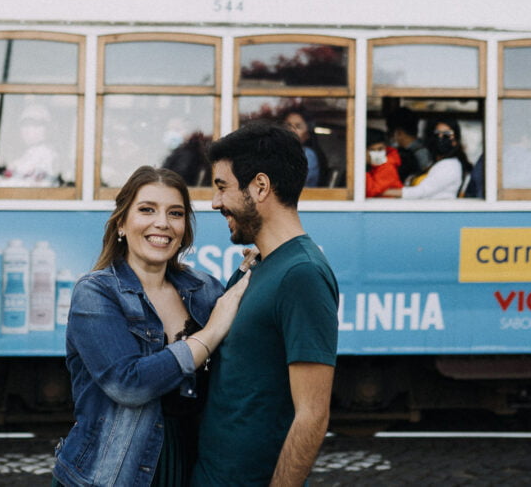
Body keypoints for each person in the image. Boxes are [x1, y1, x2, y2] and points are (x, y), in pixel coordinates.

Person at [52, 166, 250, 487]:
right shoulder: (96, 292)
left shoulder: (204, 288)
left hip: (191, 466)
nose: (162, 223)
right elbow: (129, 384)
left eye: (176, 213)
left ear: (184, 229)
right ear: (121, 223)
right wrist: (210, 333)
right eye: (147, 210)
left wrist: (254, 269)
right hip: (112, 475)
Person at [191, 122, 339, 486]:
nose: (214, 202)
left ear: (259, 186)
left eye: (222, 186)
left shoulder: (302, 274)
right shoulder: (257, 265)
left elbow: (312, 415)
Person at [382, 118, 471, 199]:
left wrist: (384, 192)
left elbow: (421, 191)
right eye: (437, 134)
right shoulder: (434, 163)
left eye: (447, 134)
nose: (441, 137)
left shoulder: (450, 165)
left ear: (455, 141)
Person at [386, 106, 433, 184]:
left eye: (390, 134)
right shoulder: (423, 148)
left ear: (399, 132)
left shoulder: (420, 153)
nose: (391, 139)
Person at [281, 108, 327, 187]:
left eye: (298, 127)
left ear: (307, 134)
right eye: (287, 126)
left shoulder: (308, 155)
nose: (292, 130)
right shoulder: (281, 153)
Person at [365, 127, 402, 197]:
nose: (376, 153)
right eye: (372, 150)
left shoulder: (388, 166)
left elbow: (370, 192)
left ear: (385, 148)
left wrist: (364, 167)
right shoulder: (373, 166)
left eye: (380, 149)